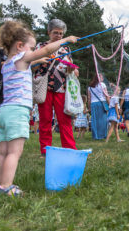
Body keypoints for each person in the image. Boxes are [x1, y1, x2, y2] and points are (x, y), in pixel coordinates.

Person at [0, 20, 77, 196]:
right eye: (31, 48)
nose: (32, 51)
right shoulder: (22, 58)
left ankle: (0, 184)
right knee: (14, 153)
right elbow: (46, 50)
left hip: (4, 111)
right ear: (19, 46)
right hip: (17, 111)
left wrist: (38, 59)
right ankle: (7, 186)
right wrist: (66, 39)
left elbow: (33, 61)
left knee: (3, 152)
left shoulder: (8, 63)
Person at [33, 19, 78, 157]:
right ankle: (45, 151)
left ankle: (70, 149)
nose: (58, 36)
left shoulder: (66, 49)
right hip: (44, 87)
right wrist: (40, 60)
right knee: (45, 120)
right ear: (49, 32)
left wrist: (72, 69)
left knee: (65, 120)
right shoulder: (41, 46)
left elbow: (72, 71)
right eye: (55, 33)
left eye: (61, 33)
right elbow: (32, 66)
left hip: (61, 88)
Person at [87, 73, 109, 140]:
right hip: (101, 103)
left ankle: (95, 136)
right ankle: (103, 135)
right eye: (101, 77)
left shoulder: (90, 87)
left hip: (93, 104)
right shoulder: (102, 85)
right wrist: (109, 104)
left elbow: (89, 98)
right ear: (98, 78)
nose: (102, 78)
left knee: (94, 120)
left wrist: (89, 107)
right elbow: (106, 95)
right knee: (103, 120)